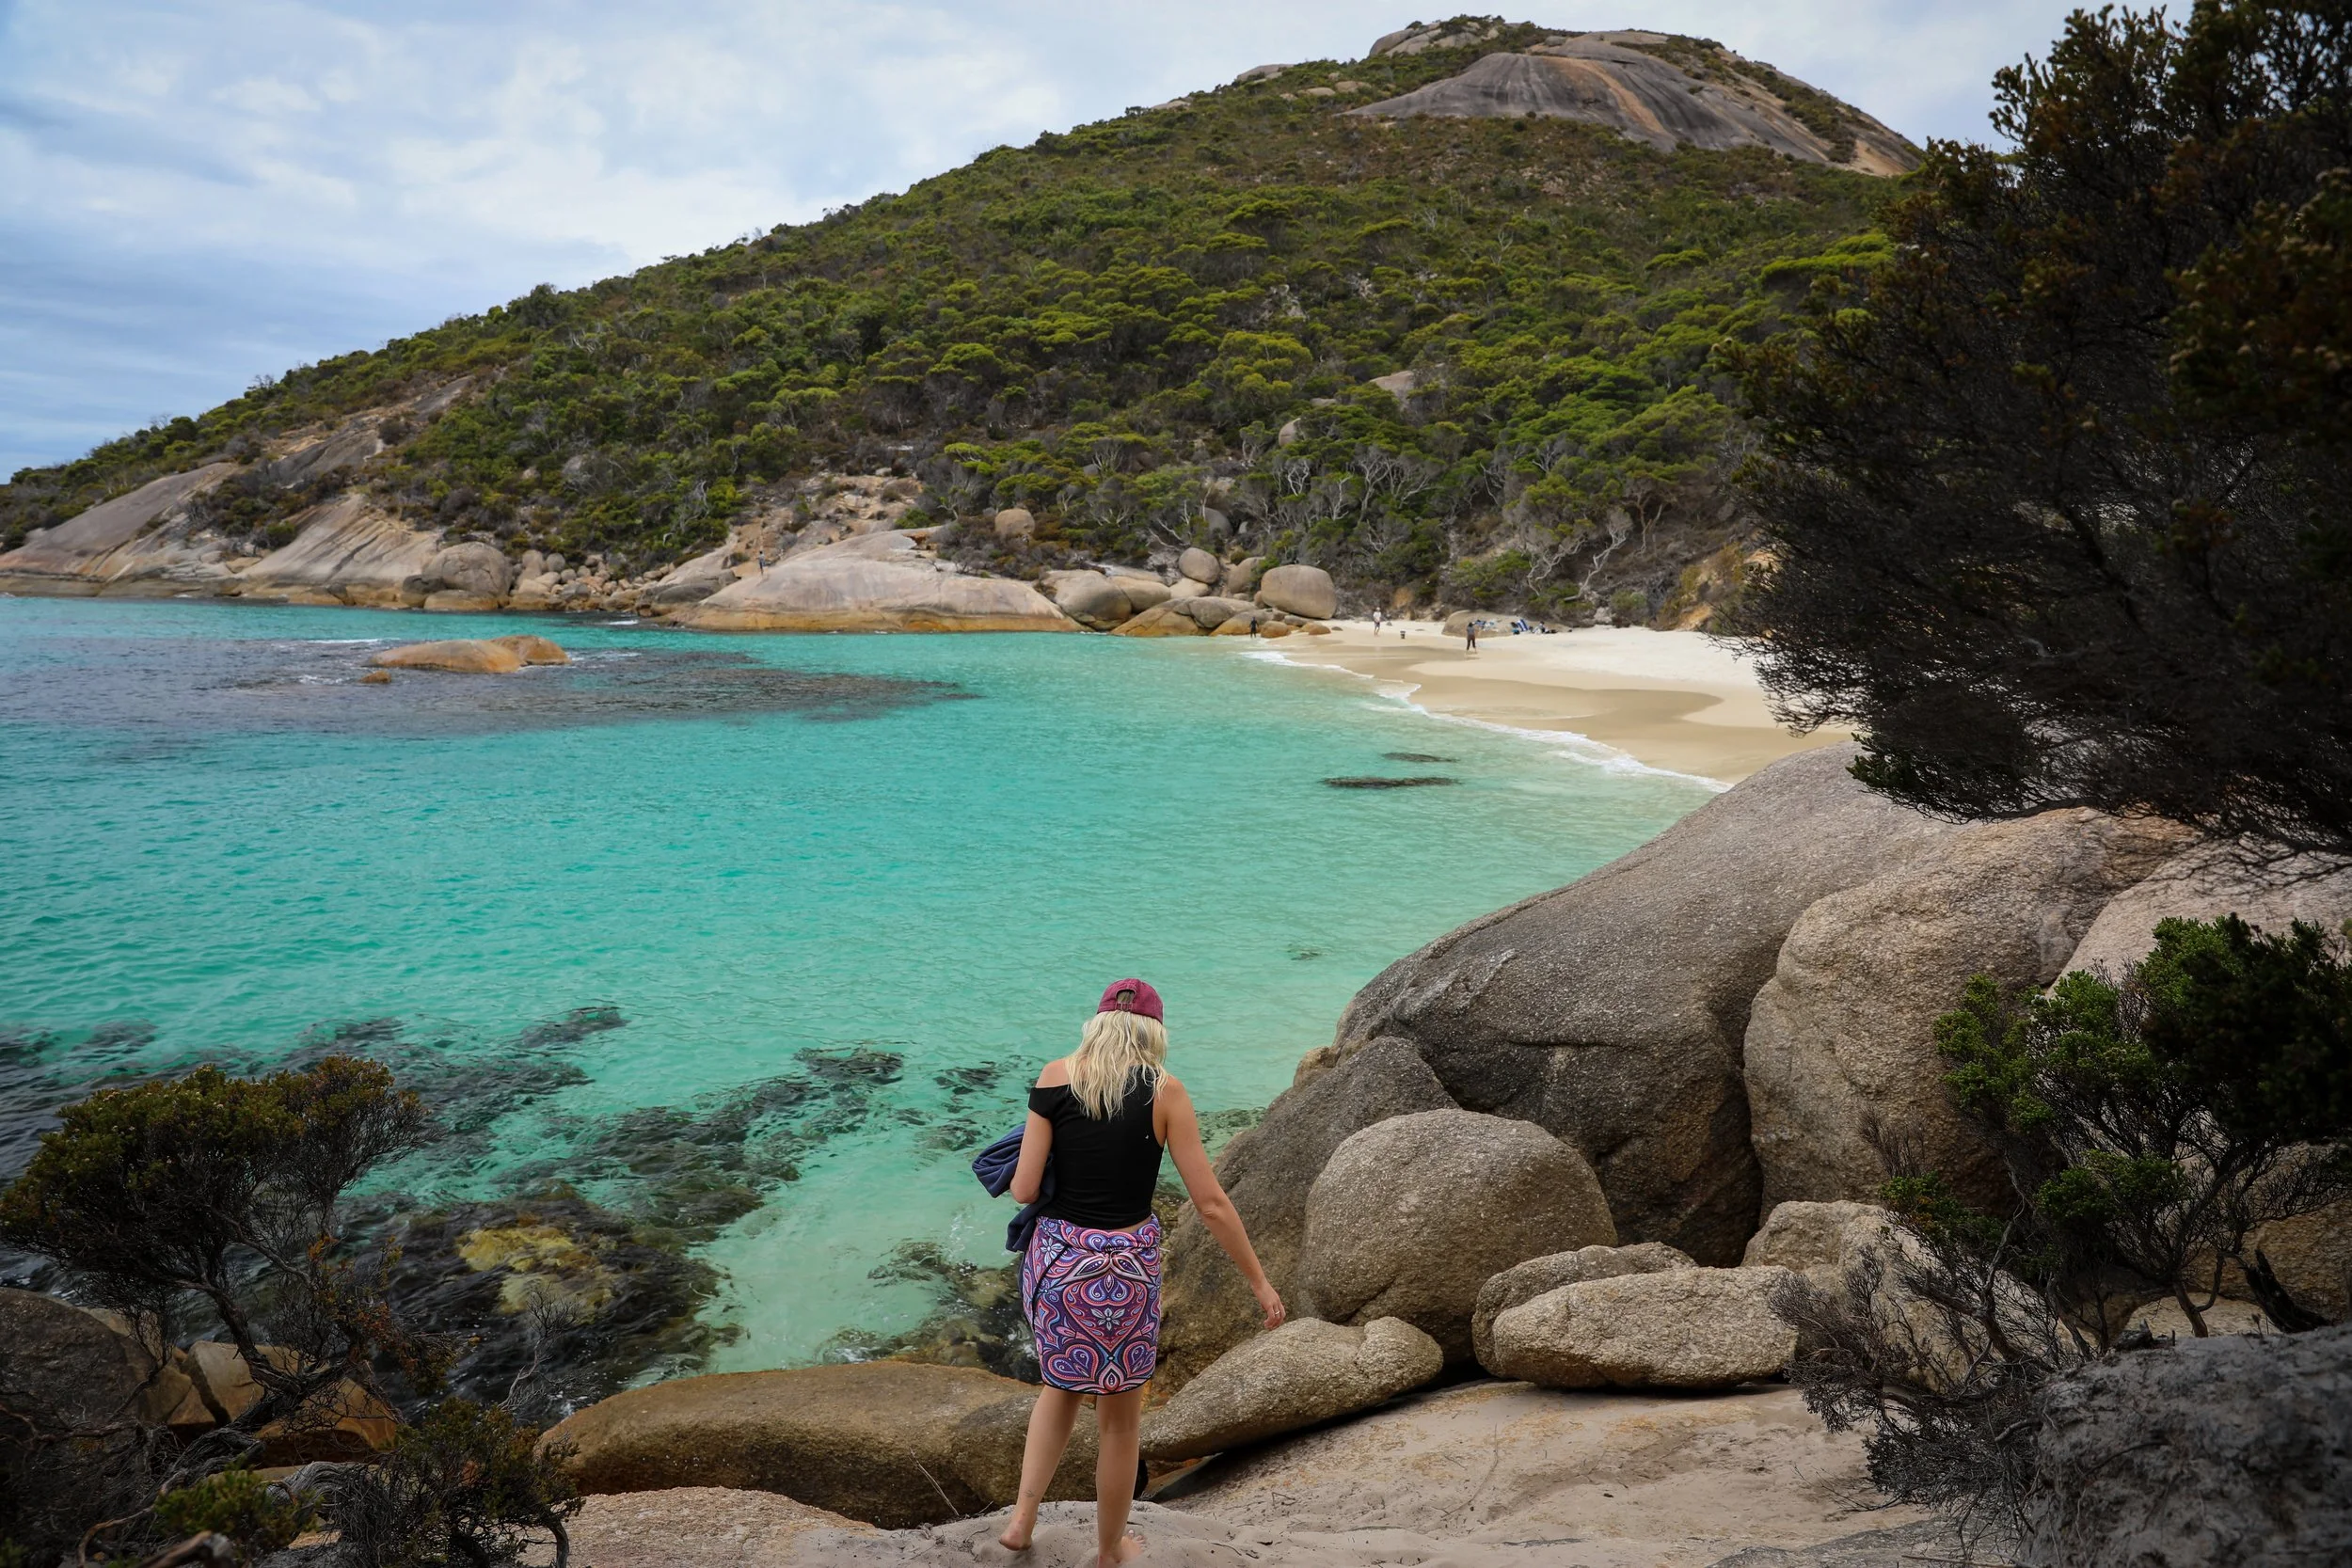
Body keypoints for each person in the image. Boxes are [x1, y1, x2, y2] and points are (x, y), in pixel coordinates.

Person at [996, 979, 1283, 1565]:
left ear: (1097, 1022)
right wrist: (1258, 1280)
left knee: (1059, 1388)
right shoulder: (1166, 1092)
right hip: (1126, 1268)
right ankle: (1108, 1551)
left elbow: (1023, 1188)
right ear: (1154, 1031)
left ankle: (1022, 1523)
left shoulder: (1054, 1077)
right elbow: (1210, 1204)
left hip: (1059, 1259)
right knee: (1120, 1423)